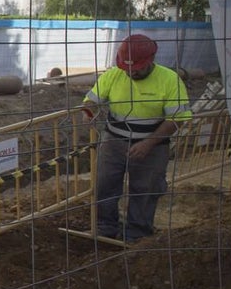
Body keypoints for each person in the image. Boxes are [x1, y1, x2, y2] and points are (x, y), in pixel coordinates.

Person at [81, 34, 192, 242]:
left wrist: (148, 143)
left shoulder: (169, 80)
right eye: (128, 67)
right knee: (105, 185)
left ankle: (137, 234)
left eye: (137, 67)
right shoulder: (113, 75)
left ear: (151, 60)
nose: (132, 71)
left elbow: (178, 118)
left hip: (153, 146)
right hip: (114, 143)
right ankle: (105, 227)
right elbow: (91, 100)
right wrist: (89, 112)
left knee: (145, 189)